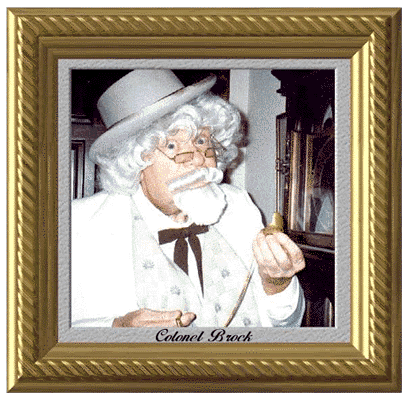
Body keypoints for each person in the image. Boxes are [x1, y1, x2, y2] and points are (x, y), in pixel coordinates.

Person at [71, 69, 306, 328]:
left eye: (202, 141)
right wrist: (116, 330)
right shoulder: (79, 224)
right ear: (134, 161)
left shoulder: (239, 206)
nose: (197, 159)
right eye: (172, 146)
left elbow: (287, 326)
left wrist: (276, 284)